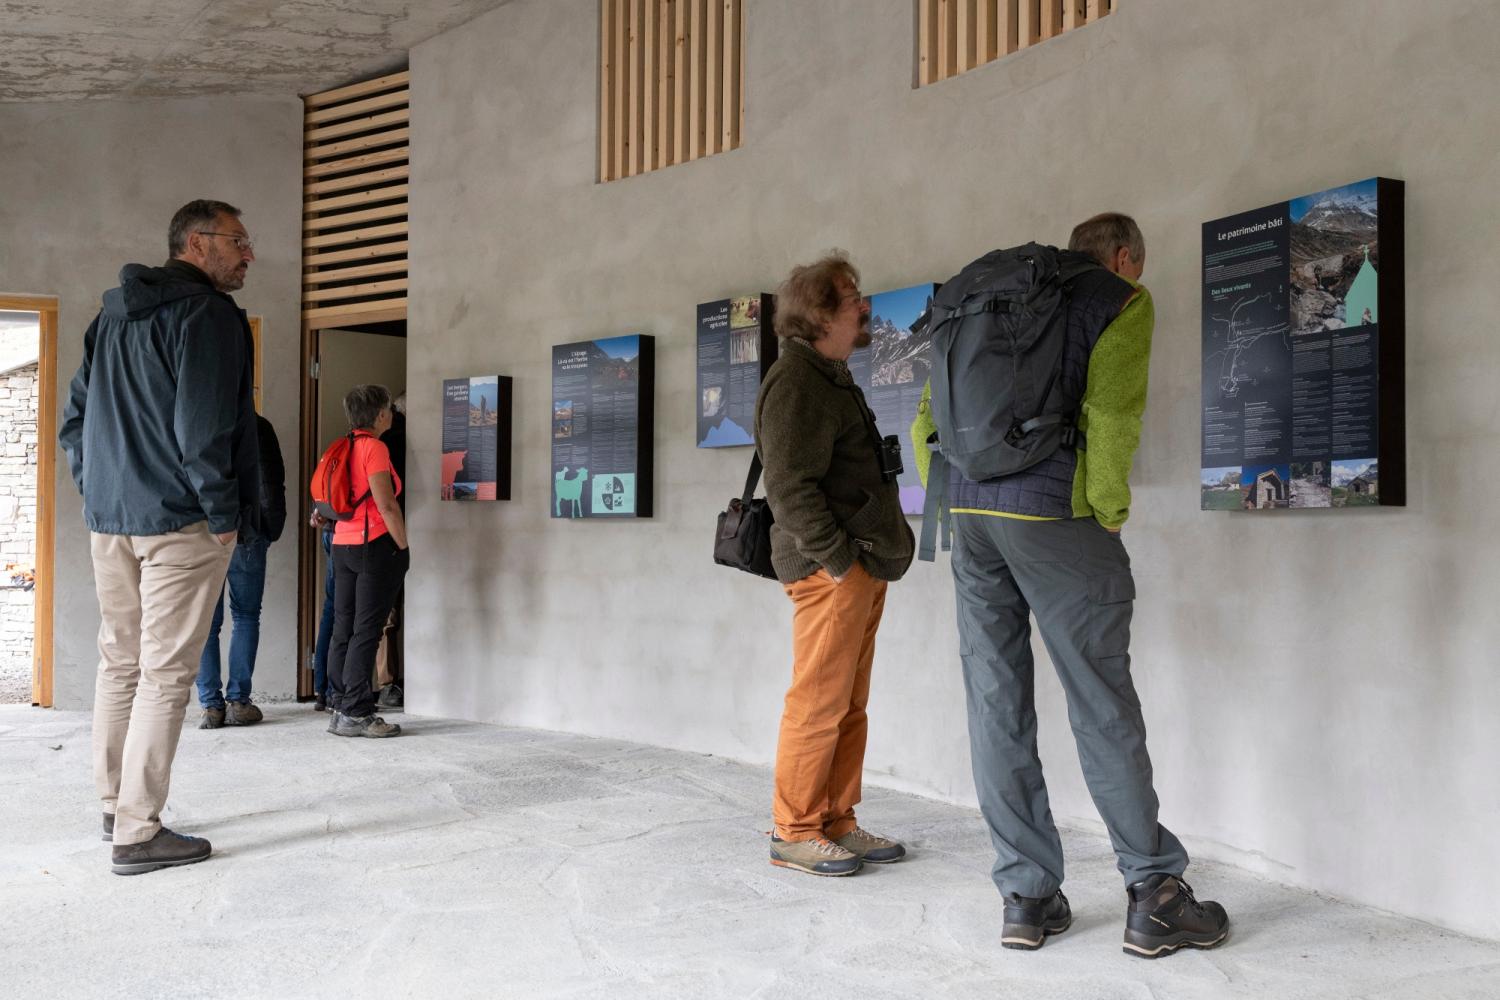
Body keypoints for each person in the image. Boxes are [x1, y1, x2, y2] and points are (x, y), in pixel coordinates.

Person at [915, 214, 1229, 955]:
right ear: (1124, 258)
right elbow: (1113, 414)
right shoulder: (1118, 300)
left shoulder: (982, 299)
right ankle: (1154, 893)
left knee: (995, 699)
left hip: (969, 512)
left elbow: (929, 414)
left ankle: (1026, 898)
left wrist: (957, 502)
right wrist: (1108, 510)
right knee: (1098, 696)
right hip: (1056, 515)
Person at [59, 198, 258, 875]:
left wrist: (101, 489)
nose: (247, 255)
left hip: (113, 519)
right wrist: (224, 512)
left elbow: (74, 422)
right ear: (196, 244)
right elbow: (204, 430)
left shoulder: (109, 317)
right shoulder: (208, 315)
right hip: (180, 523)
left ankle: (116, 805)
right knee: (166, 674)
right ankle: (139, 834)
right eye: (237, 241)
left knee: (121, 664)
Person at [753, 251, 915, 877]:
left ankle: (835, 820)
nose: (865, 305)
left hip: (857, 569)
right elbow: (790, 487)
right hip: (832, 573)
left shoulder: (828, 375)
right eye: (852, 296)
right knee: (818, 702)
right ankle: (794, 830)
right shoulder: (796, 381)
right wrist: (840, 561)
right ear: (819, 312)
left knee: (848, 703)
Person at [325, 384, 408, 738]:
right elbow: (386, 503)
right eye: (388, 408)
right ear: (379, 415)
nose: (391, 413)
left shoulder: (341, 445)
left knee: (343, 628)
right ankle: (357, 712)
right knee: (367, 629)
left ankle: (340, 704)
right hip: (372, 544)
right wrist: (402, 546)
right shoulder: (374, 447)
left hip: (341, 545)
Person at [197, 412, 286, 728]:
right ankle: (238, 702)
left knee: (206, 622)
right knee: (246, 615)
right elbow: (272, 481)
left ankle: (211, 706)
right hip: (248, 531)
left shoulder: (201, 423)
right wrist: (269, 528)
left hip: (203, 532)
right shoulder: (258, 426)